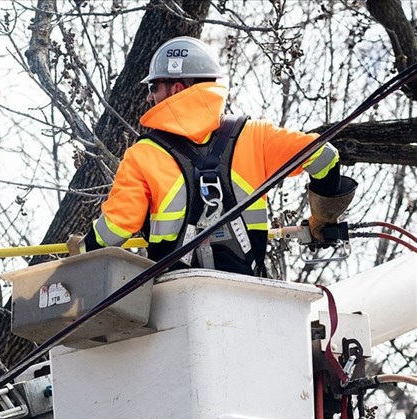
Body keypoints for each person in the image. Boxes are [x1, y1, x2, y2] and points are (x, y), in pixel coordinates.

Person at [67, 36, 357, 276]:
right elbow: (324, 157)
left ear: (177, 88)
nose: (149, 96)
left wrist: (80, 253)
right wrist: (322, 217)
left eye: (154, 87)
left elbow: (115, 229)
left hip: (178, 300)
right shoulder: (255, 136)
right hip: (249, 290)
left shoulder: (143, 155)